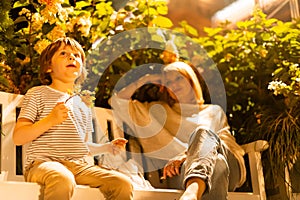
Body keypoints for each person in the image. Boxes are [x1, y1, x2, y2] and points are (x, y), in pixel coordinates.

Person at [13, 37, 133, 200]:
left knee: (122, 183)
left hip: (79, 167)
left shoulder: (83, 104)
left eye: (77, 55)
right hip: (43, 164)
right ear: (48, 67)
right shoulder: (37, 94)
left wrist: (105, 148)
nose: (72, 57)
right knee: (62, 178)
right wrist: (50, 120)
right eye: (63, 53)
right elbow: (19, 137)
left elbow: (82, 147)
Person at [110, 61, 246, 200]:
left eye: (179, 78)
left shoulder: (213, 111)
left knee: (203, 133)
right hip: (182, 172)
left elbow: (220, 142)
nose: (174, 85)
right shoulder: (159, 112)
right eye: (168, 82)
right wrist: (146, 79)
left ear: (191, 80)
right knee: (218, 163)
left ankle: (192, 194)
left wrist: (188, 153)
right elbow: (117, 102)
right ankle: (192, 193)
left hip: (231, 170)